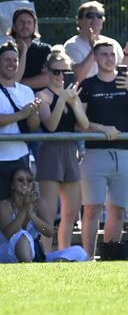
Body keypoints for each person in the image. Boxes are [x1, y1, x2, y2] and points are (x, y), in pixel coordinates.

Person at [77, 38, 128, 259]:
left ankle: (109, 257)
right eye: (104, 54)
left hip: (125, 154)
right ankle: (87, 258)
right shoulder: (88, 85)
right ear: (96, 58)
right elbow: (79, 124)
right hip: (95, 154)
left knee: (117, 209)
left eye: (112, 54)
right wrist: (100, 128)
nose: (109, 58)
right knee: (91, 209)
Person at [34, 48, 89, 252]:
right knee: (47, 212)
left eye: (64, 72)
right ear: (48, 72)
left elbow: (84, 125)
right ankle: (46, 254)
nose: (59, 76)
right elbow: (50, 125)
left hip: (70, 153)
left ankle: (64, 252)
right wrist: (63, 100)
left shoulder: (71, 93)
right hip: (51, 153)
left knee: (71, 212)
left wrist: (73, 103)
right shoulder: (42, 95)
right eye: (55, 72)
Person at [0, 167, 87, 263]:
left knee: (79, 251)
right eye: (20, 180)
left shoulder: (39, 203)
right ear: (12, 185)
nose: (25, 183)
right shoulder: (4, 205)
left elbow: (48, 232)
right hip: (7, 251)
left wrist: (33, 217)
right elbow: (9, 234)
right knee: (22, 235)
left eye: (29, 180)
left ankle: (59, 262)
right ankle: (28, 268)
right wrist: (25, 210)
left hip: (34, 253)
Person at [0, 41, 41, 203]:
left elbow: (33, 126)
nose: (12, 64)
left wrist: (32, 113)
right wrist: (21, 114)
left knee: (21, 205)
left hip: (21, 157)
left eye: (15, 60)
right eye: (7, 60)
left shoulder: (26, 91)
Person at [63, 1, 128, 81]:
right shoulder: (71, 45)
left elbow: (126, 76)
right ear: (79, 20)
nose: (95, 19)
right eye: (90, 16)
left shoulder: (112, 43)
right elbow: (77, 78)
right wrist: (94, 49)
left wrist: (127, 53)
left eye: (99, 16)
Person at [8, 8, 51, 91]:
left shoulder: (44, 50)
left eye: (29, 22)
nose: (25, 25)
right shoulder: (6, 51)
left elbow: (47, 79)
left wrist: (18, 84)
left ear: (34, 26)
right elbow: (11, 81)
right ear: (14, 26)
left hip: (38, 98)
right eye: (21, 22)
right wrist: (23, 52)